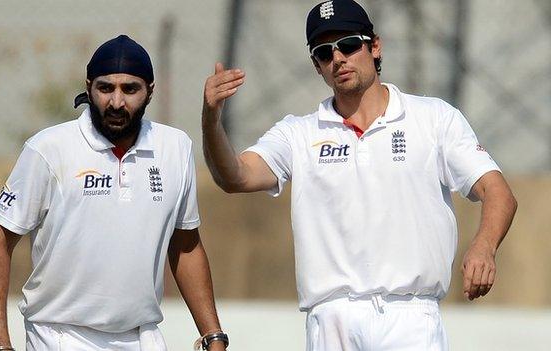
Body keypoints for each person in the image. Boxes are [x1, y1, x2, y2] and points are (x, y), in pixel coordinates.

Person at [201, 0, 517, 349]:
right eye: (324, 52)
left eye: (349, 45)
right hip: (331, 319)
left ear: (374, 45)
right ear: (317, 65)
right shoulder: (298, 133)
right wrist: (211, 119)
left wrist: (484, 247)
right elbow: (235, 176)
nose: (338, 59)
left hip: (410, 316)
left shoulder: (434, 118)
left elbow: (497, 191)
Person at [0, 35, 228, 351]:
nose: (116, 102)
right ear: (88, 87)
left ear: (150, 91)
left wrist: (213, 335)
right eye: (105, 88)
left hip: (143, 336)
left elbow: (186, 246)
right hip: (59, 336)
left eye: (130, 89)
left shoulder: (175, 148)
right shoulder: (48, 149)